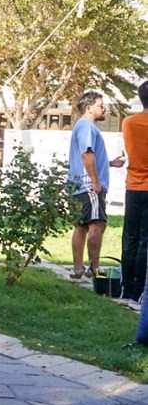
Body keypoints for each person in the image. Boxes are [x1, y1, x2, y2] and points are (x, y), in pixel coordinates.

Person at [67, 91, 125, 279]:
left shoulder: (82, 126)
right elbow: (87, 155)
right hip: (88, 186)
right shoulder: (86, 127)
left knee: (81, 226)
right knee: (97, 225)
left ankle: (78, 269)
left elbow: (89, 156)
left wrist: (109, 163)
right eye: (101, 105)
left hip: (79, 185)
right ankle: (94, 269)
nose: (104, 109)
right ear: (89, 107)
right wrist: (95, 181)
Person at [121, 81, 148, 310]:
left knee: (129, 238)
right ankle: (138, 294)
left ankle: (126, 288)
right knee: (145, 242)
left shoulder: (128, 122)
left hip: (133, 187)